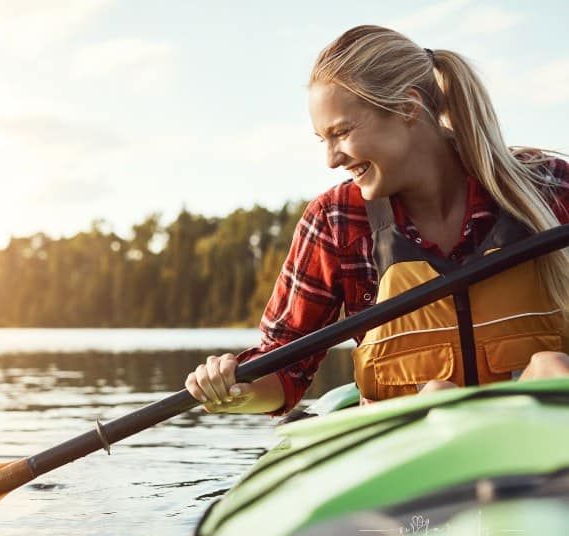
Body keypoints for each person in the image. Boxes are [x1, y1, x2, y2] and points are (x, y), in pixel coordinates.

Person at [186, 25, 569, 415]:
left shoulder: (548, 185)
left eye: (342, 132)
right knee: (437, 397)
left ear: (407, 107)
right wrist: (235, 389)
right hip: (409, 444)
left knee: (550, 367)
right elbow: (285, 373)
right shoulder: (336, 219)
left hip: (545, 431)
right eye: (324, 139)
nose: (332, 159)